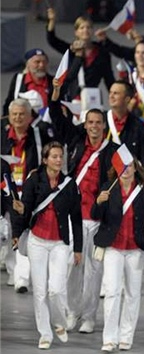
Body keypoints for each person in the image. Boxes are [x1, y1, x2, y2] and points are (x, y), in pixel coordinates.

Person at [47, 79, 116, 333]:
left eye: (99, 123)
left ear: (104, 126)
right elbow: (56, 117)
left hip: (98, 219)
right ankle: (72, 311)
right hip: (74, 217)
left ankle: (89, 316)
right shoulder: (76, 142)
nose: (94, 126)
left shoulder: (113, 151)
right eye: (90, 122)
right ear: (85, 125)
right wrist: (55, 92)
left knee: (94, 270)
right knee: (72, 266)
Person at [11, 141, 82, 349]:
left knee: (56, 289)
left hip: (60, 243)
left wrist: (77, 248)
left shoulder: (69, 184)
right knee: (40, 291)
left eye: (61, 156)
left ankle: (59, 322)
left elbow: (76, 219)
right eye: (54, 156)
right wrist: (16, 233)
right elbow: (24, 210)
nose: (59, 160)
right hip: (37, 242)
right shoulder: (34, 179)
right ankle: (45, 334)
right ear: (45, 160)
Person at [92, 158, 144, 352]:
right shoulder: (108, 188)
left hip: (135, 249)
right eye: (122, 166)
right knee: (112, 292)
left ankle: (126, 337)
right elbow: (96, 214)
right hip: (113, 247)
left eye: (129, 166)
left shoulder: (143, 190)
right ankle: (109, 338)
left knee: (132, 294)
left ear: (135, 168)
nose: (126, 170)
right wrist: (98, 201)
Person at [1, 98, 55, 293]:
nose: (18, 117)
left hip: (28, 190)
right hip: (5, 188)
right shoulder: (2, 135)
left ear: (30, 115)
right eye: (14, 114)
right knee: (6, 231)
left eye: (22, 114)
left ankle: (21, 278)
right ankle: (13, 269)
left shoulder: (39, 135)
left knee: (22, 230)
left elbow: (50, 158)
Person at [46, 8, 115, 100]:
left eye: (89, 27)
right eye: (82, 28)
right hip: (73, 97)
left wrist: (115, 94)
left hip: (92, 97)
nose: (85, 30)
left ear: (92, 31)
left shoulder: (102, 52)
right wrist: (52, 20)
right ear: (76, 32)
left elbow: (109, 78)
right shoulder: (71, 50)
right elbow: (52, 40)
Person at [3, 48, 53, 116]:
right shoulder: (18, 79)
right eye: (37, 62)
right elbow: (9, 102)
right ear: (28, 64)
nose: (41, 65)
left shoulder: (53, 81)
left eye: (44, 62)